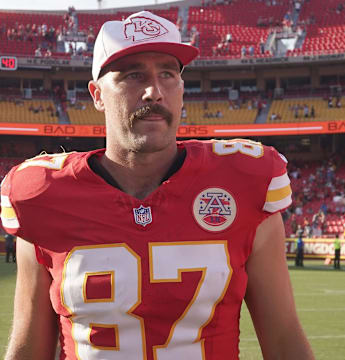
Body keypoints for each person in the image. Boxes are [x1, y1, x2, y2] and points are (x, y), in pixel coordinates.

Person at [0, 11, 314, 360]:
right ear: (97, 94)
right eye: (134, 75)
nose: (154, 91)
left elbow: (284, 340)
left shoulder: (247, 182)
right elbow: (29, 348)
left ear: (182, 90)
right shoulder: (42, 194)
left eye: (168, 73)